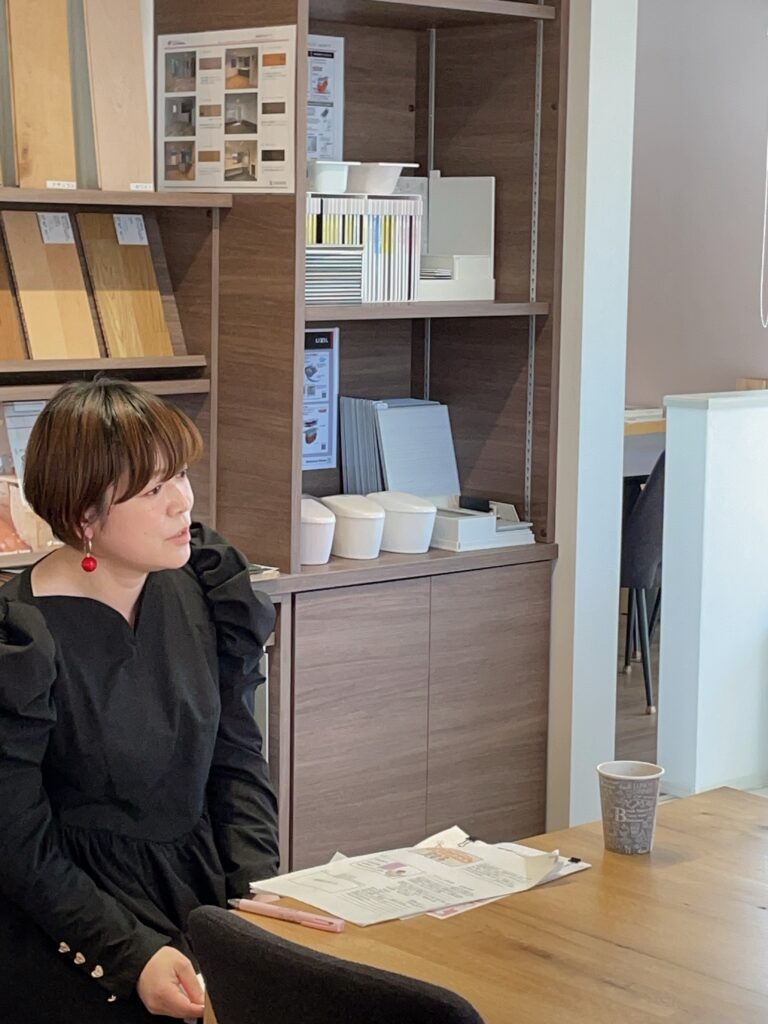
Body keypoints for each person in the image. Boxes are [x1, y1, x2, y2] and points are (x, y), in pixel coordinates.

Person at [0, 379, 279, 1022]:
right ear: (84, 517)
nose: (183, 500)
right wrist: (131, 955)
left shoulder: (204, 585)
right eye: (153, 490)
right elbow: (16, 843)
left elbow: (236, 762)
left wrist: (258, 894)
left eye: (179, 475)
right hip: (71, 926)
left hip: (202, 900)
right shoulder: (19, 639)